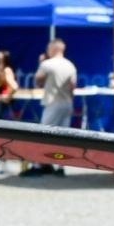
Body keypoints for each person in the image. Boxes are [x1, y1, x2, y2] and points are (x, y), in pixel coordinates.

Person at [22, 39, 76, 177]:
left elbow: (38, 80)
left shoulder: (47, 64)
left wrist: (40, 63)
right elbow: (72, 86)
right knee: (64, 138)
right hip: (67, 103)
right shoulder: (71, 65)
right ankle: (60, 166)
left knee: (43, 135)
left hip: (53, 102)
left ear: (53, 49)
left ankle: (38, 164)